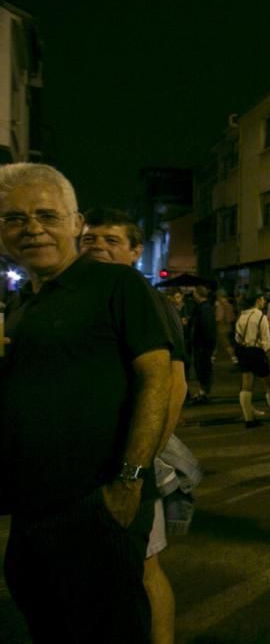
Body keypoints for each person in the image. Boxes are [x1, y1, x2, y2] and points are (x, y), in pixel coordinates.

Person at [0, 163, 172, 642]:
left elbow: (157, 381)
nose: (31, 228)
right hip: (32, 508)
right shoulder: (21, 305)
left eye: (46, 215)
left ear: (76, 225)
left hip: (98, 501)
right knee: (47, 621)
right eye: (14, 218)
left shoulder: (117, 286)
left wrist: (130, 481)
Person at [80, 207, 188, 644]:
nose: (100, 248)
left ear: (135, 251)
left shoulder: (145, 299)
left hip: (130, 462)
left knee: (144, 568)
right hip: (90, 464)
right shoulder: (87, 294)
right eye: (91, 240)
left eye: (111, 241)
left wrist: (139, 467)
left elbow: (174, 385)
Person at [234, 288, 270, 428]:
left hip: (245, 352)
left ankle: (248, 419)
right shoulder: (260, 316)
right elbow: (266, 341)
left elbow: (237, 338)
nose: (264, 302)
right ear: (257, 300)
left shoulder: (241, 316)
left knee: (246, 386)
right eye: (262, 299)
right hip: (258, 353)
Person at [186, 285, 216, 404]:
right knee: (202, 369)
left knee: (203, 369)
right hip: (203, 344)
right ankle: (203, 392)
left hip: (203, 345)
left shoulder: (204, 309)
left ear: (198, 295)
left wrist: (207, 345)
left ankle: (204, 393)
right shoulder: (204, 308)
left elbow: (207, 329)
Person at [214, 288, 238, 364]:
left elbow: (219, 317)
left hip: (221, 328)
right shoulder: (229, 305)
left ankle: (234, 359)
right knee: (223, 344)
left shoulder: (220, 305)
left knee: (225, 344)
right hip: (229, 327)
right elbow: (232, 317)